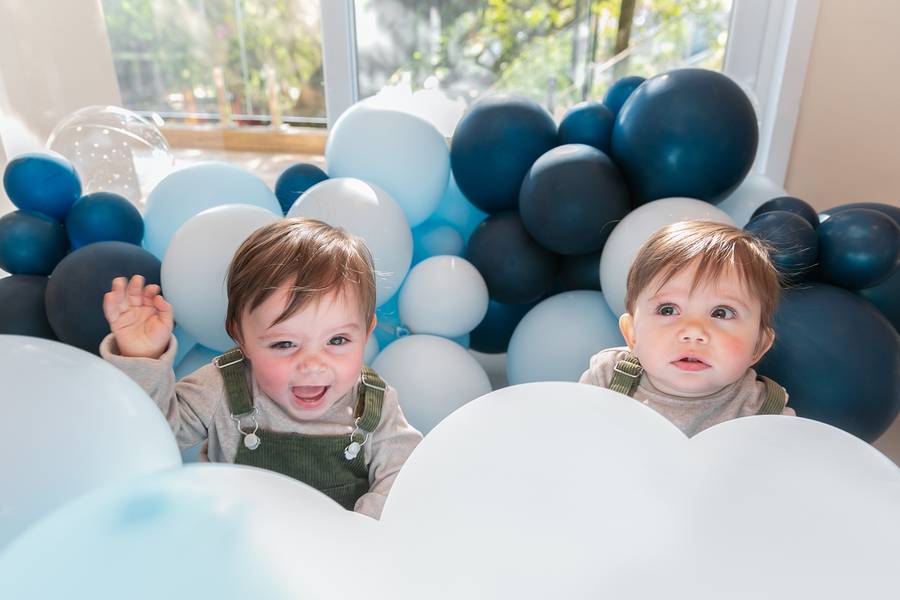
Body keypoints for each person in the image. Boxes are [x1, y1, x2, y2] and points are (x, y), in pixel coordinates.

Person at [100, 218, 422, 519]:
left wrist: (360, 529)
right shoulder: (222, 388)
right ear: (240, 337)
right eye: (284, 344)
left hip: (334, 561)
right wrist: (143, 356)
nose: (312, 364)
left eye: (337, 340)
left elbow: (405, 473)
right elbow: (155, 433)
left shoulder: (374, 405)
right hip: (237, 550)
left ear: (365, 334)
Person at [579, 220, 794, 436]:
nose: (694, 331)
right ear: (632, 333)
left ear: (759, 345)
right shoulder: (607, 379)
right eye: (668, 310)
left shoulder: (766, 413)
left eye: (722, 313)